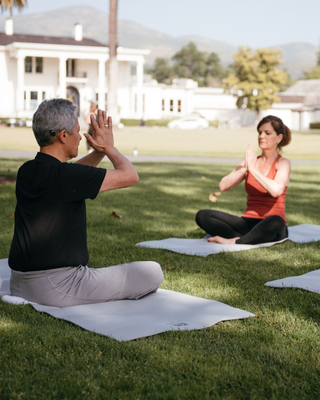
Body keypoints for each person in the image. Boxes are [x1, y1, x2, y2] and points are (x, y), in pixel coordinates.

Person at [8, 99, 163, 307]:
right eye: (77, 132)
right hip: (57, 287)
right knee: (152, 272)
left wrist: (97, 151)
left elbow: (72, 175)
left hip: (19, 283)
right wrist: (109, 148)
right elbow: (130, 176)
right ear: (63, 135)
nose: (81, 137)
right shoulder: (67, 177)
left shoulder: (27, 170)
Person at [195, 115, 291, 245]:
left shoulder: (283, 163)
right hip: (247, 223)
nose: (261, 136)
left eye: (267, 133)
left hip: (271, 224)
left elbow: (275, 191)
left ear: (279, 138)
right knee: (203, 215)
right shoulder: (251, 161)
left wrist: (253, 170)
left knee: (276, 221)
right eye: (260, 132)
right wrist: (245, 168)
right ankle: (244, 239)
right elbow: (223, 186)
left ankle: (235, 242)